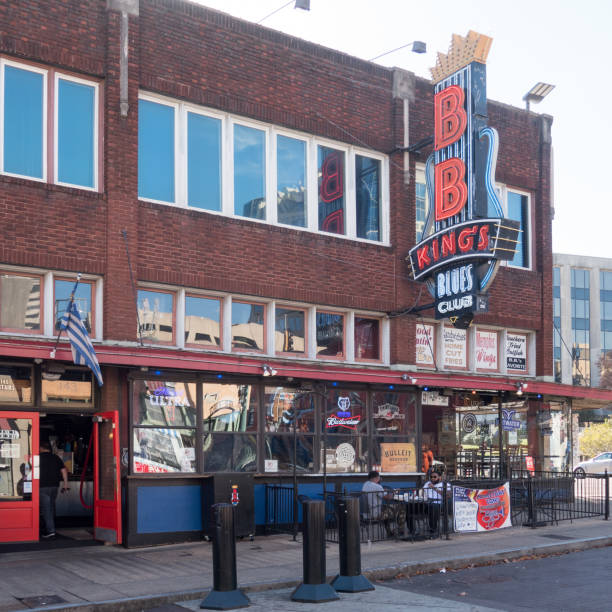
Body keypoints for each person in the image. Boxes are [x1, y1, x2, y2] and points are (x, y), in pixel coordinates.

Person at [39, 441, 69, 539]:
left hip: (43, 487)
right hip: (54, 486)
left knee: (46, 510)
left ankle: (51, 531)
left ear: (41, 448)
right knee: (50, 508)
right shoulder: (56, 458)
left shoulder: (38, 458)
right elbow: (64, 470)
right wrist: (65, 484)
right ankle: (49, 528)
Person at [361, 470, 405, 537]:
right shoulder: (377, 486)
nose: (380, 479)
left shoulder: (365, 484)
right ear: (376, 478)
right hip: (376, 514)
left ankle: (389, 533)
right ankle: (400, 531)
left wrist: (385, 490)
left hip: (366, 514)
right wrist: (394, 492)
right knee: (401, 508)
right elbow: (388, 497)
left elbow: (376, 491)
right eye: (379, 477)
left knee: (386, 508)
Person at [423, 468, 451, 536]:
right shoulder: (427, 483)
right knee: (410, 507)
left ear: (440, 477)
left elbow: (448, 495)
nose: (432, 478)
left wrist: (434, 488)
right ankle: (412, 530)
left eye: (435, 477)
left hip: (438, 503)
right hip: (426, 502)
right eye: (431, 477)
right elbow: (422, 491)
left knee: (433, 507)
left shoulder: (445, 484)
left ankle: (433, 529)